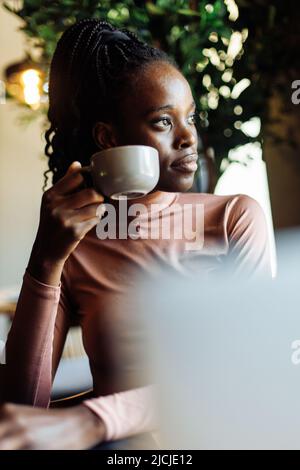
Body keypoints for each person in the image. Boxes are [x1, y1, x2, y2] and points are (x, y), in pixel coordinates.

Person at [0, 19, 271, 450]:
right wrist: (45, 261)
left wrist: (95, 419)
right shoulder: (73, 246)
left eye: (191, 118)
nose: (188, 138)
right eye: (163, 122)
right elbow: (23, 404)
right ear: (109, 137)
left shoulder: (234, 217)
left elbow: (253, 370)